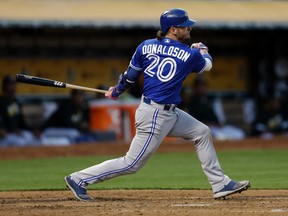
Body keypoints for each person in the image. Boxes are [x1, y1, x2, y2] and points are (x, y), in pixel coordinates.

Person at [64, 8, 250, 201]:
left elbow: (130, 77)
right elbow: (207, 64)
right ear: (173, 29)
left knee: (202, 132)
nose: (189, 29)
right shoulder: (189, 54)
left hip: (168, 112)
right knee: (131, 163)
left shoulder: (145, 45)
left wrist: (117, 90)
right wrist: (203, 50)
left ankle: (220, 184)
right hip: (156, 114)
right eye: (185, 27)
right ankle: (78, 179)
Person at [0, 74, 40, 147]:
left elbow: (21, 121)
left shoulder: (15, 102)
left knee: (35, 139)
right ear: (4, 86)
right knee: (19, 142)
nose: (13, 87)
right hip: (5, 134)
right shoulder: (1, 102)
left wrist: (33, 130)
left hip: (16, 132)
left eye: (14, 85)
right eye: (10, 84)